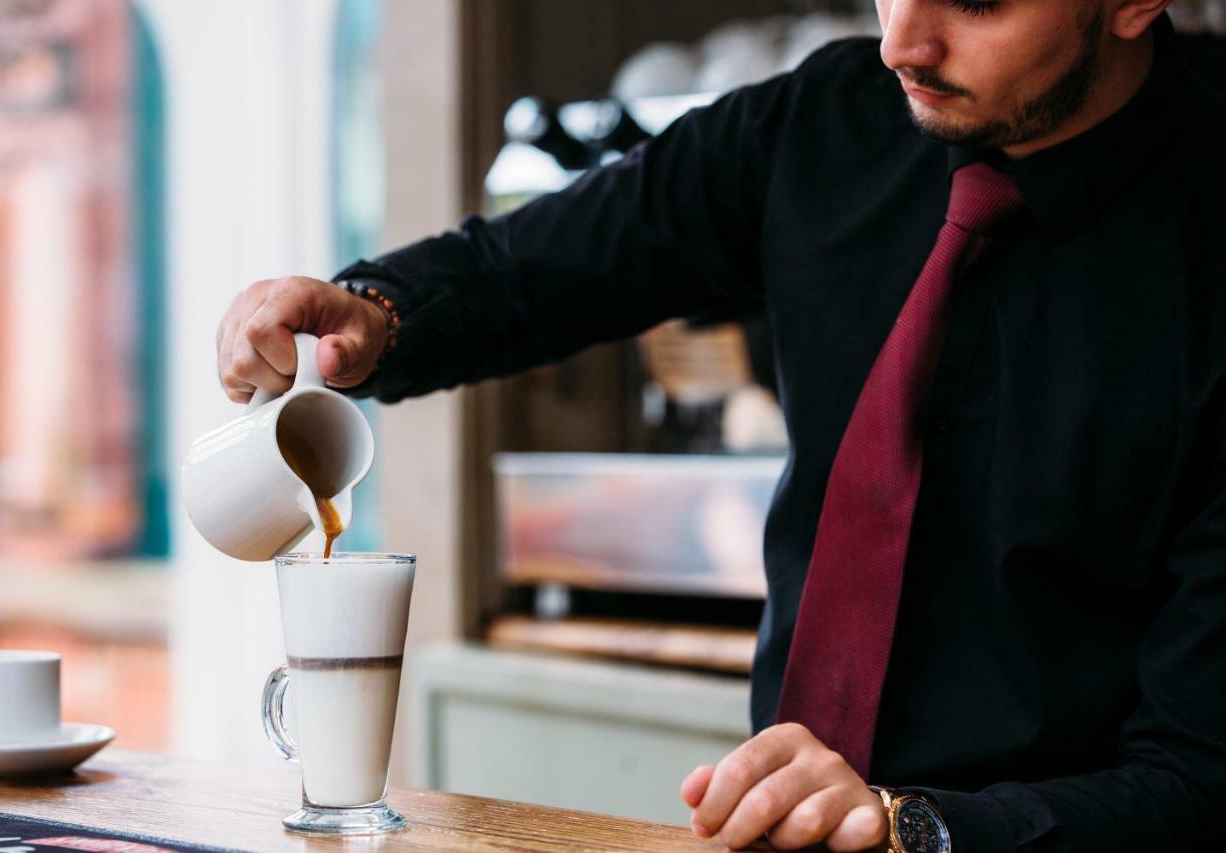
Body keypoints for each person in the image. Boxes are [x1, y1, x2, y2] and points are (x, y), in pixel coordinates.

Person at [216, 1, 1225, 850]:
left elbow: (1200, 767)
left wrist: (910, 826)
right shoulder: (826, 120)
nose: (902, 43)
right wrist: (375, 312)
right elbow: (546, 265)